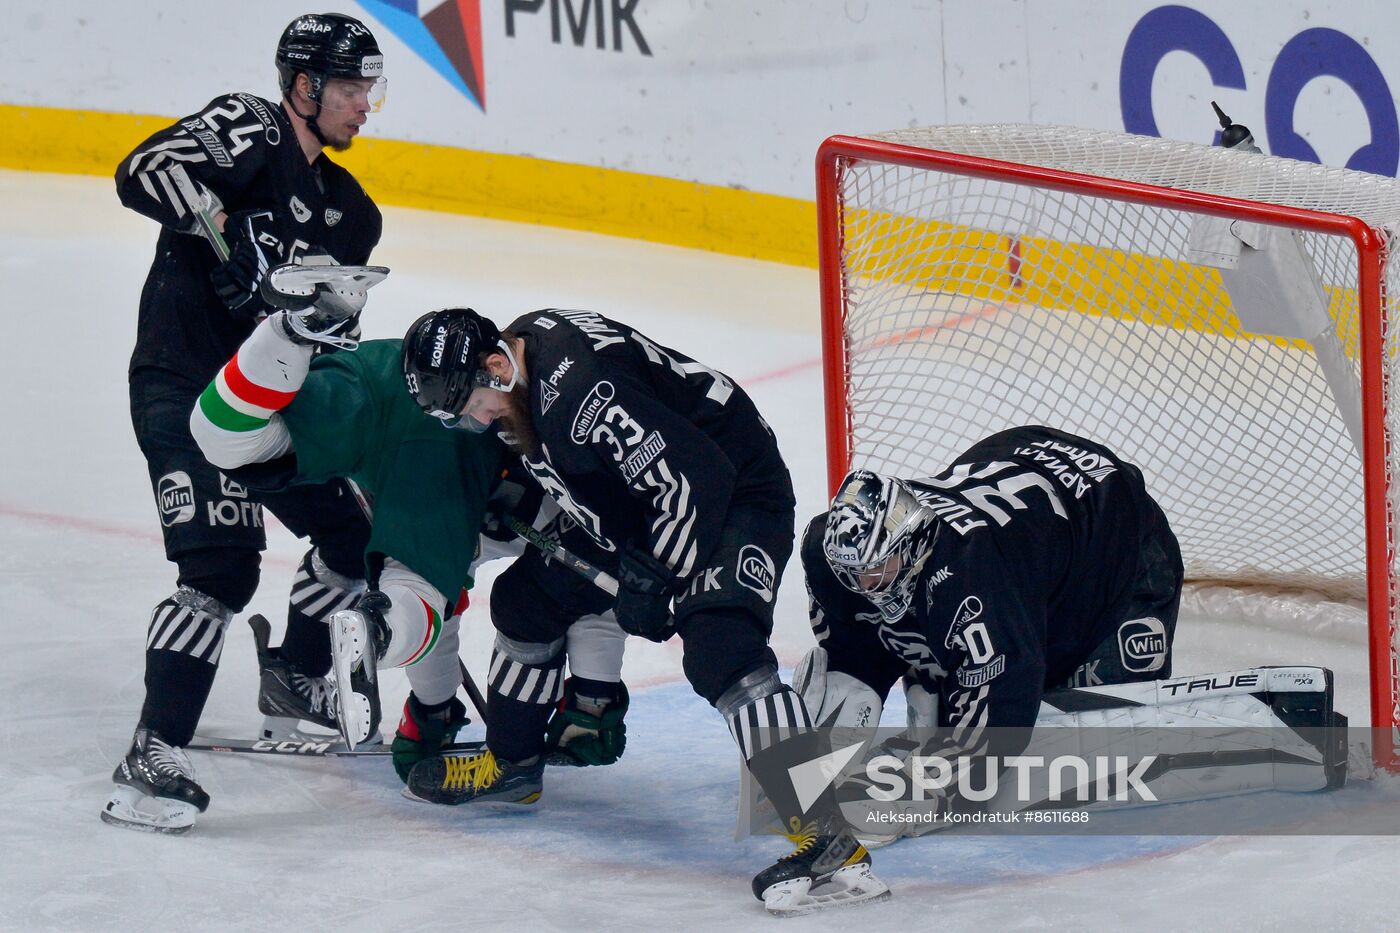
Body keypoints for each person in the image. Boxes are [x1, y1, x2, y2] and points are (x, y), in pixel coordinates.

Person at [365, 307, 888, 915]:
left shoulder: (582, 392)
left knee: (721, 647)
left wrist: (657, 578)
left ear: (493, 365)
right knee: (525, 601)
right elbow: (596, 472)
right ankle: (513, 763)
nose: (471, 419)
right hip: (656, 500)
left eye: (468, 402)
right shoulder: (521, 367)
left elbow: (695, 479)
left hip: (734, 494)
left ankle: (830, 842)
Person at [104, 12, 387, 834]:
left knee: (355, 537)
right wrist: (204, 214)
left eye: (369, 88)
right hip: (184, 387)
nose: (363, 105)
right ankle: (152, 750)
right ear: (302, 86)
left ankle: (293, 678)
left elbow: (332, 342)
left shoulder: (351, 213)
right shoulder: (250, 130)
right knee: (222, 568)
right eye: (348, 87)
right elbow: (142, 169)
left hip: (267, 406)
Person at [798, 426, 1344, 840]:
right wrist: (838, 718)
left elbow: (1004, 699)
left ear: (912, 541)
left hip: (1115, 551)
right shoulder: (836, 551)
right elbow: (856, 638)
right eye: (854, 573)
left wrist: (928, 795)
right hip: (1034, 511)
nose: (864, 583)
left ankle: (1286, 730)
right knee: (941, 694)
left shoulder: (969, 574)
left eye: (879, 571)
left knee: (1091, 740)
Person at [189, 303, 630, 782]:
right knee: (577, 581)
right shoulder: (505, 383)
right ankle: (588, 708)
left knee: (433, 587)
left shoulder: (416, 383)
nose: (479, 417)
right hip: (500, 492)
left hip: (464, 469)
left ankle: (428, 714)